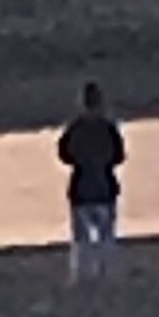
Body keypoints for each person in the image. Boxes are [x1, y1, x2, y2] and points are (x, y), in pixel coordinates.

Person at [57, 80, 125, 277]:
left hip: (81, 188)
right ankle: (107, 271)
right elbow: (119, 156)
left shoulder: (74, 128)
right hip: (105, 186)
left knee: (81, 238)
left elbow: (64, 155)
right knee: (107, 236)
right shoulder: (109, 128)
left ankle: (82, 273)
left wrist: (82, 161)